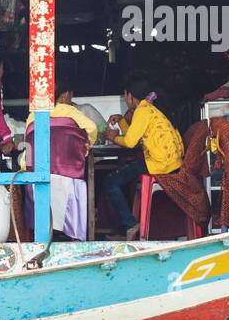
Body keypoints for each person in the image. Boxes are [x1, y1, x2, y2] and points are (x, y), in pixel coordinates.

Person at [100, 76, 184, 240]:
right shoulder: (148, 108)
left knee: (111, 182)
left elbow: (130, 142)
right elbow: (135, 135)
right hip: (169, 160)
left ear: (130, 96)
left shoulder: (142, 111)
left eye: (125, 95)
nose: (125, 99)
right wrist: (122, 121)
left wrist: (113, 137)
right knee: (120, 179)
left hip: (160, 163)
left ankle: (130, 224)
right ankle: (126, 225)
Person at [23, 79, 99, 148]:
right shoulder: (69, 111)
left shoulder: (34, 115)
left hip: (41, 160)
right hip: (67, 159)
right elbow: (92, 128)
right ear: (66, 94)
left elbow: (28, 138)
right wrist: (87, 143)